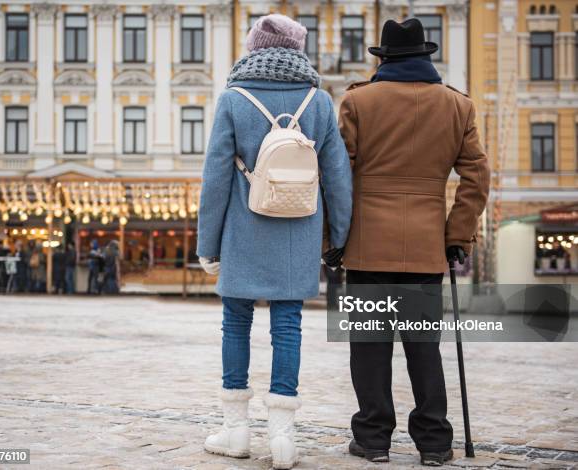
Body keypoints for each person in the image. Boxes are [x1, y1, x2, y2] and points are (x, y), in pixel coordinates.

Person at [197, 14, 352, 469]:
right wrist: (338, 238)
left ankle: (236, 430)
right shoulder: (319, 101)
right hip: (298, 232)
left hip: (241, 231)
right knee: (288, 327)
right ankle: (283, 437)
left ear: (254, 47)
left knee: (235, 324)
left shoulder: (233, 99)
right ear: (297, 50)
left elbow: (215, 179)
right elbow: (338, 177)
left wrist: (209, 245)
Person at [336, 19, 490, 466]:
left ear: (382, 59)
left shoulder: (357, 101)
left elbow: (337, 176)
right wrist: (457, 234)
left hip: (366, 247)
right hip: (425, 247)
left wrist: (334, 238)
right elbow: (476, 176)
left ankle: (373, 438)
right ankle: (435, 443)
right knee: (424, 348)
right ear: (426, 57)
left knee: (369, 347)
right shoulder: (458, 106)